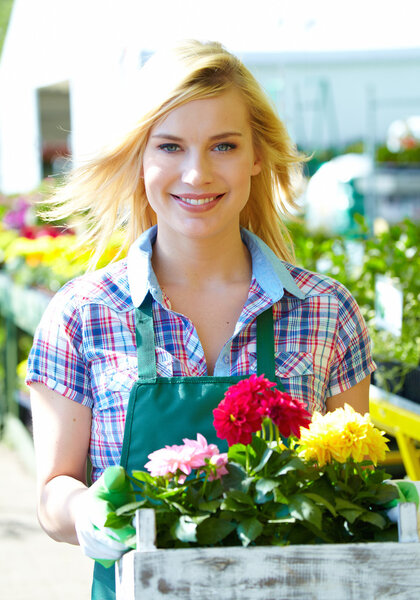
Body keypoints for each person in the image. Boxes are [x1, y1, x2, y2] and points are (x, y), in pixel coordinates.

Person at [26, 40, 375, 599]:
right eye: (170, 146)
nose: (196, 173)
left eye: (224, 146)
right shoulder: (82, 314)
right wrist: (82, 509)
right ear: (139, 157)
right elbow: (52, 494)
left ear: (256, 156)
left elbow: (353, 486)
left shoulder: (326, 311)